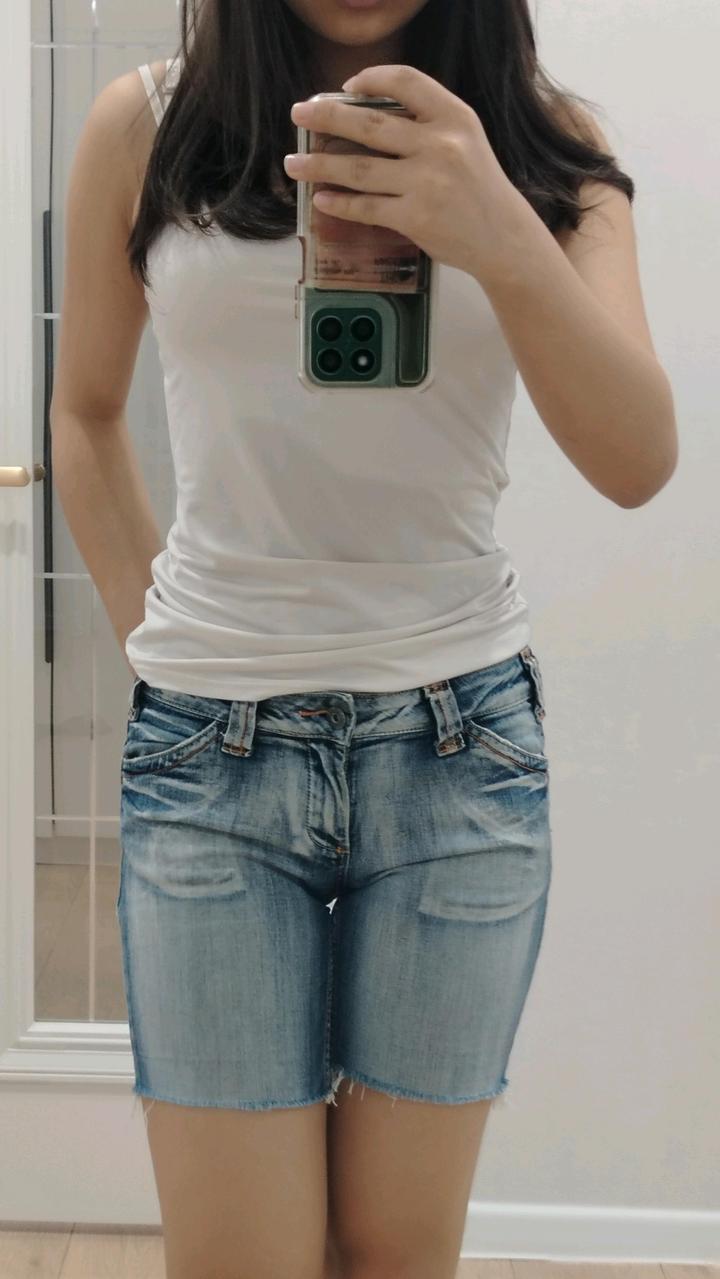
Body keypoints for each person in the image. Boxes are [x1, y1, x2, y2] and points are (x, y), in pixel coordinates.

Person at [49, 1, 677, 1276]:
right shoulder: (150, 126)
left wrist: (498, 228)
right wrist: (166, 652)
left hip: (460, 756)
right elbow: (87, 412)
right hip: (212, 756)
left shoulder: (545, 146)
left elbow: (636, 459)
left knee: (397, 1255)